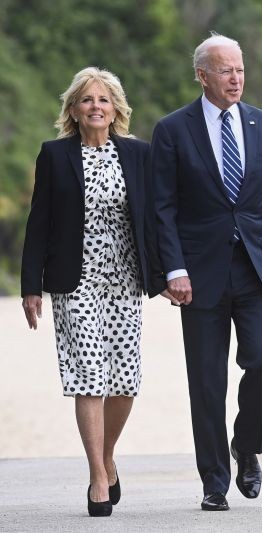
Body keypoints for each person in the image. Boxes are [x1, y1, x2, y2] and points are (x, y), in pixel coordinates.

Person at [150, 33, 262, 511]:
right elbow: (162, 208)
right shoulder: (173, 129)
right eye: (224, 70)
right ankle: (214, 481)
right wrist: (173, 269)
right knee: (207, 381)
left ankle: (246, 445)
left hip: (256, 268)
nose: (235, 77)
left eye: (239, 68)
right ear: (202, 75)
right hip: (196, 276)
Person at [20, 67, 161, 517]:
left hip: (125, 281)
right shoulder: (55, 155)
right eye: (86, 100)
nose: (96, 106)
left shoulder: (139, 155)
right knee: (89, 376)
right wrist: (31, 286)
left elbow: (156, 220)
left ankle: (107, 456)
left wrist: (170, 273)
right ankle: (97, 476)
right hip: (74, 282)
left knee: (124, 381)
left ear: (116, 108)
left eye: (103, 99)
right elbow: (38, 222)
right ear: (74, 111)